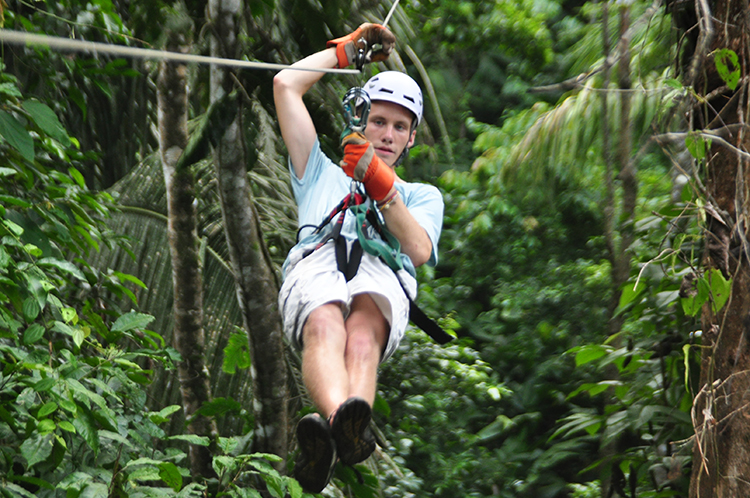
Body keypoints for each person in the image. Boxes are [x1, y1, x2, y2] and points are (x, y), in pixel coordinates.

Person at [273, 23, 444, 493]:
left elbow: (418, 249)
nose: (387, 135)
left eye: (400, 127)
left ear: (411, 139)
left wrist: (380, 183)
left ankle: (340, 431)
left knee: (363, 335)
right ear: (361, 121)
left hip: (381, 269)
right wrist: (348, 51)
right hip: (320, 257)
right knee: (325, 325)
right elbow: (286, 84)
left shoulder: (421, 196)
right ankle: (338, 427)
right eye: (379, 122)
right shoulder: (318, 172)